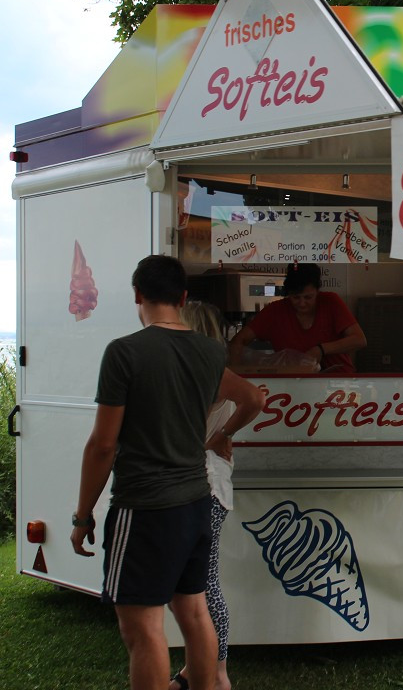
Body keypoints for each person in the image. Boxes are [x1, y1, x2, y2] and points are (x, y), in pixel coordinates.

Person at [70, 255, 263, 690]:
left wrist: (83, 516)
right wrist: (220, 437)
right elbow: (250, 397)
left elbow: (103, 445)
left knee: (143, 629)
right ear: (183, 297)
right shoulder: (211, 352)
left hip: (144, 508)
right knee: (194, 612)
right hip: (196, 502)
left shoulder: (124, 352)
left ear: (137, 294)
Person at [167, 301, 255, 690]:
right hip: (204, 485)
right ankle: (200, 671)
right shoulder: (206, 369)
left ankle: (216, 674)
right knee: (193, 587)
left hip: (203, 486)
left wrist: (220, 436)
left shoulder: (204, 372)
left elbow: (254, 399)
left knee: (200, 587)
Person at [229, 263, 367, 372]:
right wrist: (236, 375)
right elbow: (239, 340)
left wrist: (321, 349)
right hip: (292, 385)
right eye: (295, 298)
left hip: (337, 383)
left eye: (308, 297)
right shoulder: (275, 311)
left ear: (317, 291)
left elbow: (359, 340)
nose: (302, 303)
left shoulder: (330, 302)